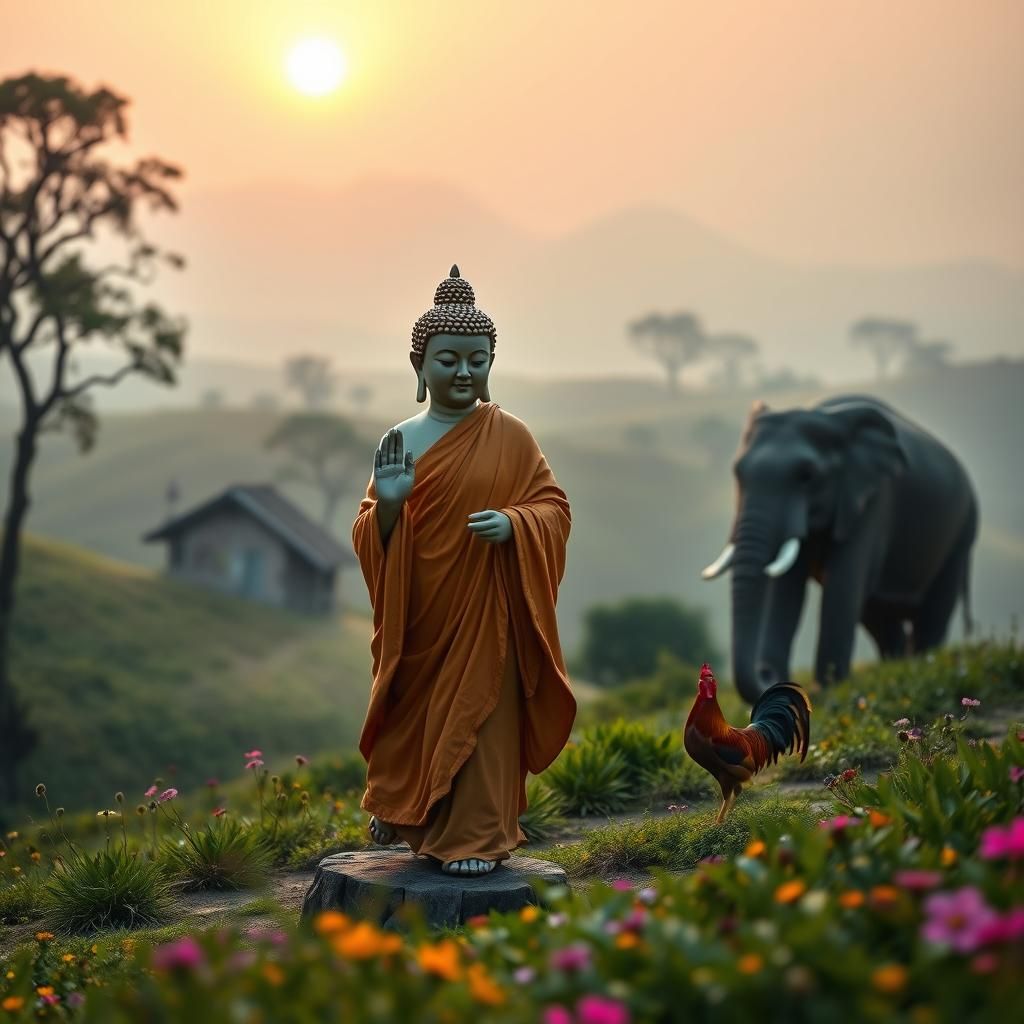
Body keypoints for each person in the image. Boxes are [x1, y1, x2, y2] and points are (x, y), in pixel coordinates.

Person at [352, 265, 576, 876]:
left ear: (490, 363)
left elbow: (552, 508)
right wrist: (391, 503)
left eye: (476, 360)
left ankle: (477, 837)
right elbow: (368, 533)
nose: (463, 373)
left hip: (490, 610)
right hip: (421, 614)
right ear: (420, 367)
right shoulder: (402, 439)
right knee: (416, 717)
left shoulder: (511, 435)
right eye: (448, 359)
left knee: (482, 722)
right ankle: (409, 811)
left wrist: (516, 524)